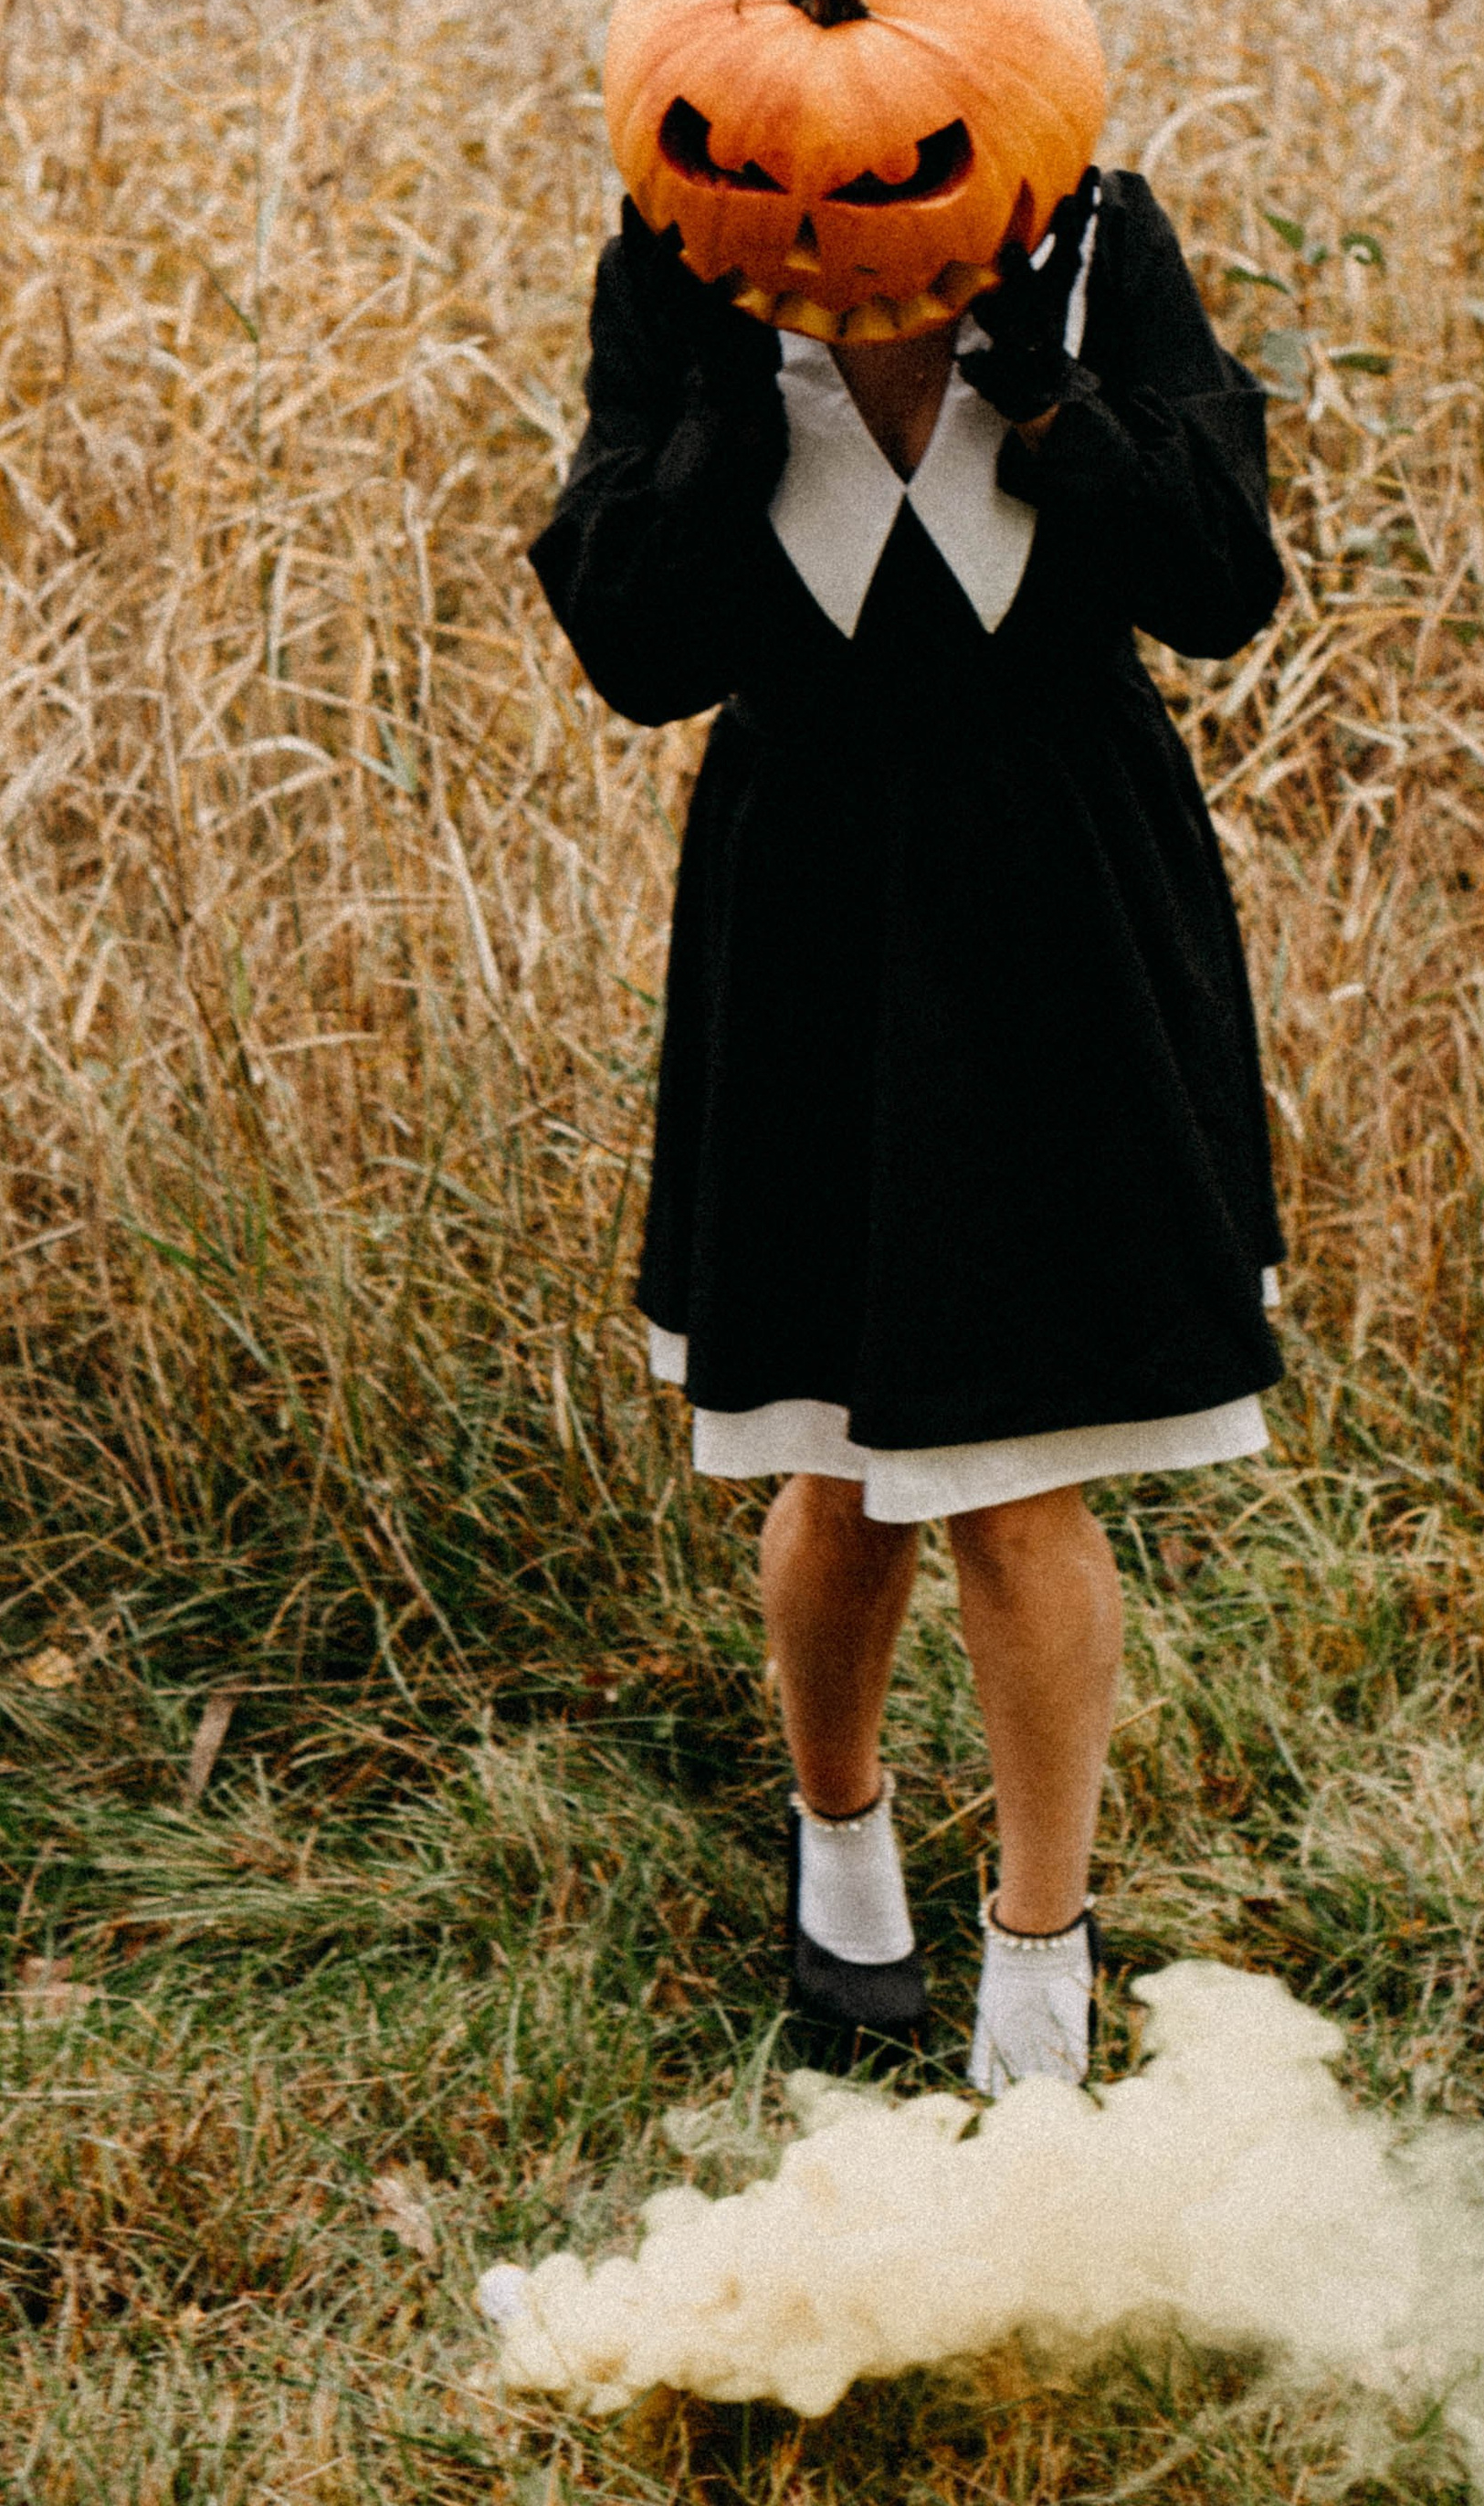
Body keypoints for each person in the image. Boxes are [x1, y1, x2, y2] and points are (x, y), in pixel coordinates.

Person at [529, 160, 1287, 2091]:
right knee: (836, 1456)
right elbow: (637, 650)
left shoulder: (1093, 241)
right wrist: (710, 410)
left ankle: (1038, 1960)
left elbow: (1218, 586)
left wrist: (1047, 398)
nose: (859, 198)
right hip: (812, 917)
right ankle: (840, 1845)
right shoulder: (684, 269)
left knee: (1012, 1462)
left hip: (1058, 900)